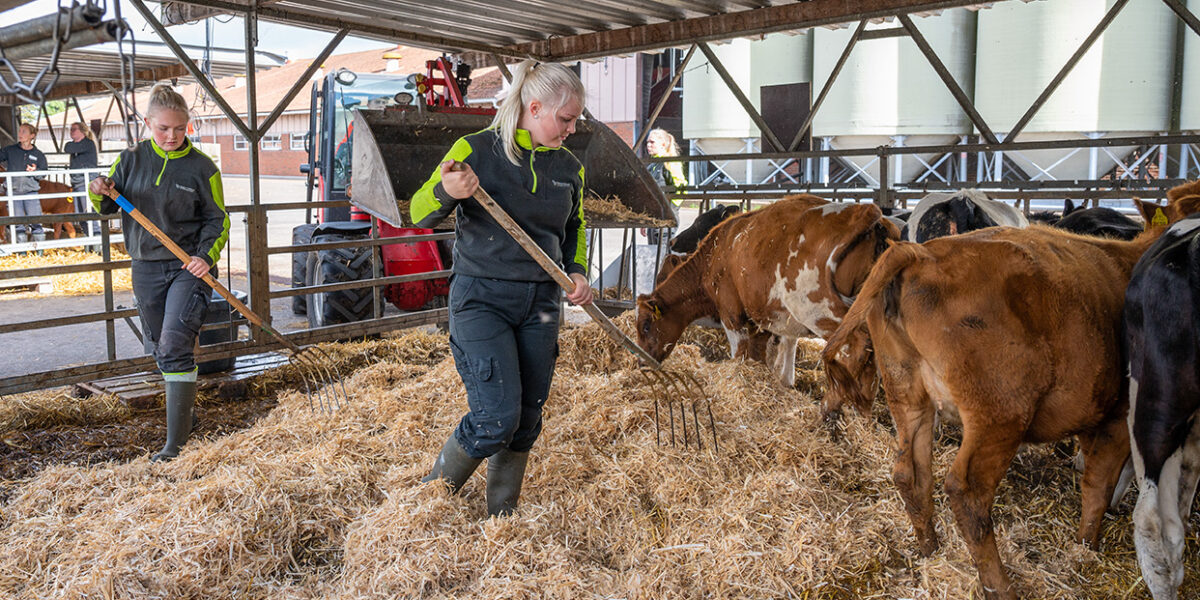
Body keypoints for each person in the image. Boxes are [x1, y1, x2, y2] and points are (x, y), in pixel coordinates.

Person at [411, 59, 593, 518]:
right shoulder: (475, 150)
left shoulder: (570, 167)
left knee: (526, 419)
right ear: (534, 107)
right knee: (495, 419)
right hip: (482, 299)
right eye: (565, 119)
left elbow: (575, 225)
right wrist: (449, 190)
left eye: (575, 120)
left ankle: (502, 520)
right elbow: (417, 212)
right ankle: (424, 506)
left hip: (542, 303)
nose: (571, 129)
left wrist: (578, 270)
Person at [89, 84, 229, 462]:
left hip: (188, 266)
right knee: (160, 348)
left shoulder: (202, 168)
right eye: (163, 128)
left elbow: (218, 220)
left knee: (173, 345)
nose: (171, 136)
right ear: (148, 123)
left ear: (188, 126)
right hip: (145, 266)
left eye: (180, 129)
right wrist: (98, 189)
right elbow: (104, 205)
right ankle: (186, 417)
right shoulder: (130, 160)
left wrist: (205, 256)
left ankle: (176, 447)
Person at [0, 123, 49, 242]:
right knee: (18, 223)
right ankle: (21, 252)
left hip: (30, 192)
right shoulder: (10, 150)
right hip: (13, 192)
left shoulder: (38, 155)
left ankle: (39, 251)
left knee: (36, 222)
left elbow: (43, 173)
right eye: (20, 131)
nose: (20, 134)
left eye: (24, 132)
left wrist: (35, 171)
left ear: (32, 135)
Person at [644, 128, 687, 246]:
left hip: (665, 219)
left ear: (663, 144)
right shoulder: (653, 165)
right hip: (654, 219)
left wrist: (670, 211)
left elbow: (681, 189)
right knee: (653, 254)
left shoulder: (670, 162)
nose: (648, 145)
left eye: (652, 142)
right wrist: (645, 220)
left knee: (662, 255)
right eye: (647, 142)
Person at [64, 122, 99, 235]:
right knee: (81, 214)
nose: (71, 131)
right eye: (71, 129)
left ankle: (97, 238)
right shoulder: (77, 146)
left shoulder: (88, 144)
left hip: (86, 181)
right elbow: (68, 147)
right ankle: (89, 237)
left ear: (83, 131)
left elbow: (68, 148)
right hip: (77, 182)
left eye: (74, 129)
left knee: (88, 211)